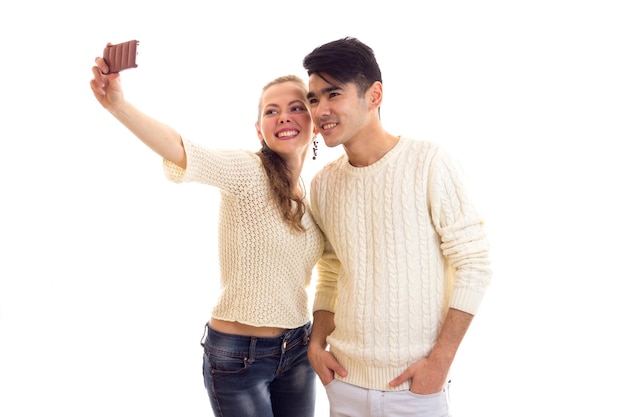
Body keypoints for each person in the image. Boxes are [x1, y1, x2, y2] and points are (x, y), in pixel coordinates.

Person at [90, 49, 325, 417]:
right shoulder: (248, 172)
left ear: (313, 120)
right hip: (240, 358)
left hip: (297, 349)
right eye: (271, 111)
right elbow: (181, 149)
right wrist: (118, 106)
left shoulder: (308, 195)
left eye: (296, 107)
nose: (283, 117)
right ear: (259, 129)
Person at [302, 37, 492, 417]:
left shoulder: (428, 163)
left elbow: (475, 264)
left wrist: (440, 361)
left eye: (333, 94)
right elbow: (331, 269)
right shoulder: (324, 183)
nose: (320, 109)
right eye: (313, 98)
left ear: (374, 96)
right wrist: (317, 342)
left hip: (413, 388)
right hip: (344, 383)